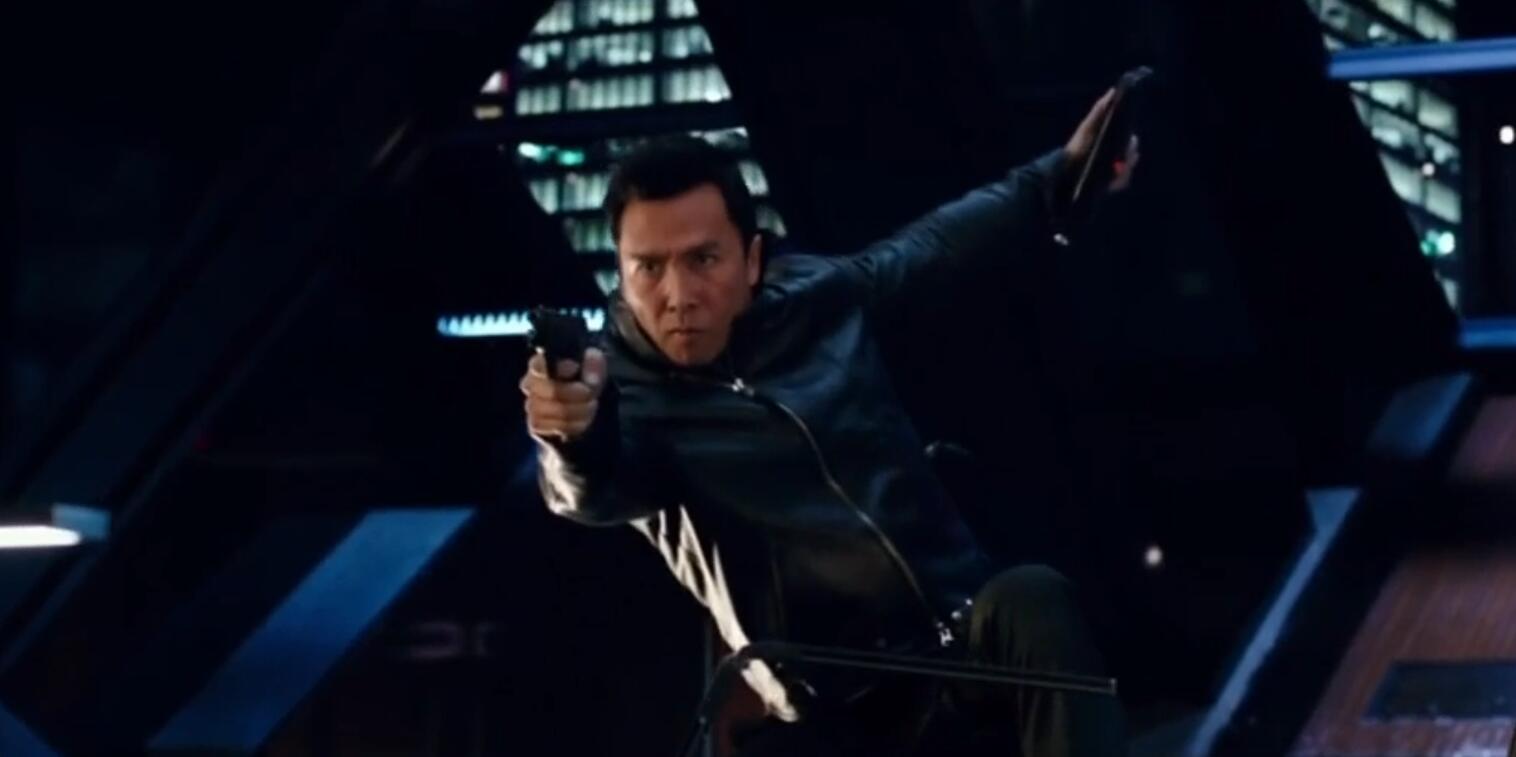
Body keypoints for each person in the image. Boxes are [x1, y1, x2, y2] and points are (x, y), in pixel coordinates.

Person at [522, 90, 1132, 756]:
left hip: (957, 646)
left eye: (703, 260)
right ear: (621, 272)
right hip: (828, 711)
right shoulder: (624, 397)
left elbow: (936, 245)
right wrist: (570, 438)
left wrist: (1059, 178)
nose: (678, 296)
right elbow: (594, 484)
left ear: (752, 261)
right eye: (648, 268)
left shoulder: (815, 300)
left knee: (1031, 598)